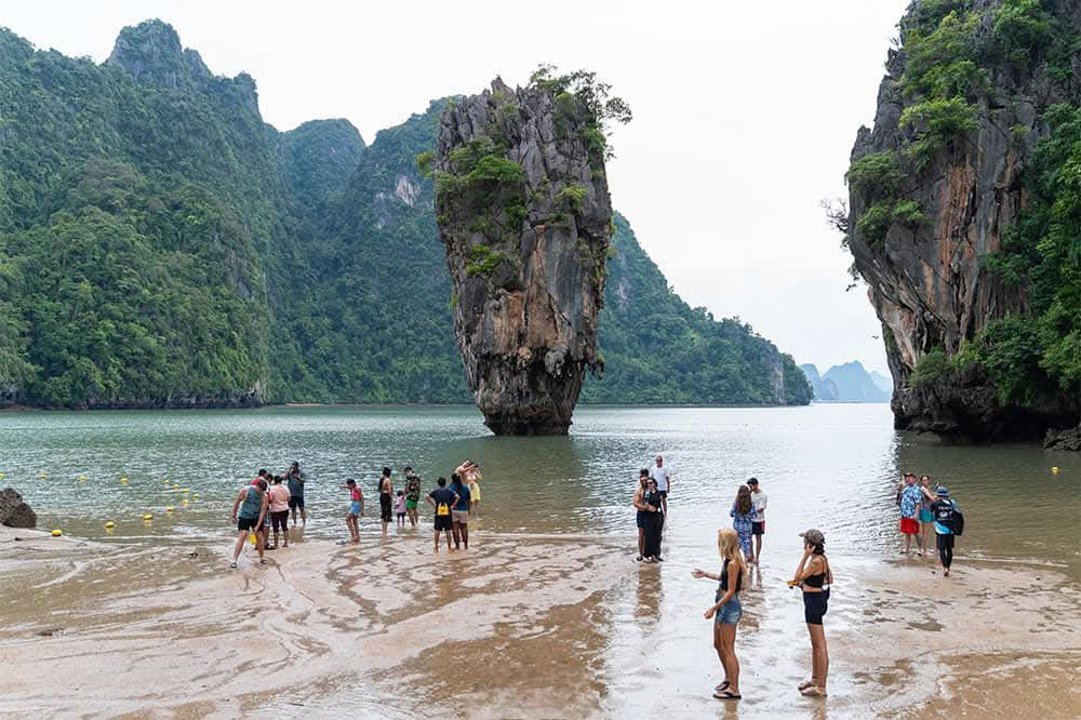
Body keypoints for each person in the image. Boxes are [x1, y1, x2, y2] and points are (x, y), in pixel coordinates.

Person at [692, 527, 746, 700]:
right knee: (717, 644)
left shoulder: (733, 563)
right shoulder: (729, 561)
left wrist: (713, 608)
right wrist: (706, 574)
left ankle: (734, 688)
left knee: (728, 648)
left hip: (729, 606)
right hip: (722, 604)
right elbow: (725, 580)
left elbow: (730, 591)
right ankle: (728, 678)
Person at [790, 529, 832, 697]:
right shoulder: (822, 559)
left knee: (819, 645)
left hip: (814, 602)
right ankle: (815, 679)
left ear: (810, 545)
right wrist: (808, 584)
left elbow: (797, 576)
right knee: (815, 644)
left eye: (805, 543)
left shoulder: (815, 561)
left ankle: (821, 686)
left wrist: (805, 556)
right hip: (815, 598)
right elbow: (830, 579)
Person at [230, 477, 268, 568]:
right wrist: (234, 515)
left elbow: (263, 511)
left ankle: (262, 557)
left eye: (262, 491)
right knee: (243, 535)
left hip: (256, 517)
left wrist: (258, 525)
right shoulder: (246, 490)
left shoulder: (264, 496)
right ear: (256, 486)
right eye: (260, 490)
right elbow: (237, 502)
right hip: (245, 516)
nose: (260, 492)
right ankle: (234, 560)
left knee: (259, 536)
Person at [930, 486, 960, 577]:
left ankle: (945, 568)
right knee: (949, 550)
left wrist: (934, 525)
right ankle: (948, 566)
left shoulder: (935, 504)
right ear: (947, 495)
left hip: (940, 529)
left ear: (938, 495)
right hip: (950, 530)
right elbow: (957, 514)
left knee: (942, 550)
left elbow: (931, 513)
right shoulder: (952, 503)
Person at [425, 477, 458, 551]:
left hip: (438, 512)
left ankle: (436, 546)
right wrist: (453, 505)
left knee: (437, 530)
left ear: (438, 483)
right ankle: (449, 547)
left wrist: (433, 505)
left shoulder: (435, 491)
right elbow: (457, 497)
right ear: (445, 483)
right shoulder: (450, 491)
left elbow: (427, 497)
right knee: (448, 530)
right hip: (447, 513)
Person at [729, 485, 757, 563]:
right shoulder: (752, 503)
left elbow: (731, 514)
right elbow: (755, 516)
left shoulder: (736, 503)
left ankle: (737, 560)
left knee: (738, 543)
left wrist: (738, 515)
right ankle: (747, 558)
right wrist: (747, 516)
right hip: (748, 526)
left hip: (738, 526)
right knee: (747, 542)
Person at [898, 473, 924, 556]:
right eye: (906, 478)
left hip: (912, 514)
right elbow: (899, 494)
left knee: (916, 532)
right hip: (905, 514)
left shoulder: (916, 489)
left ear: (914, 479)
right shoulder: (906, 488)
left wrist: (916, 514)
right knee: (906, 532)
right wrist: (900, 486)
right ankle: (906, 548)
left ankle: (920, 549)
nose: (908, 479)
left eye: (910, 477)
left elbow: (918, 503)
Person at [640, 477, 664, 562]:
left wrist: (664, 514)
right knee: (649, 536)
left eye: (651, 483)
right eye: (648, 483)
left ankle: (656, 554)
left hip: (658, 516)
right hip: (649, 517)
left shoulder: (659, 493)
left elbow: (662, 503)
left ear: (654, 483)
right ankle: (647, 555)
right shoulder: (646, 493)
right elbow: (645, 504)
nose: (649, 484)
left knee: (657, 536)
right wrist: (651, 508)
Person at [267, 475, 291, 549]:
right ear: (281, 481)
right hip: (285, 508)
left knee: (276, 527)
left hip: (275, 510)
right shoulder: (286, 488)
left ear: (274, 481)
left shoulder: (272, 489)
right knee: (284, 526)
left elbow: (270, 499)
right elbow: (289, 498)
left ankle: (276, 544)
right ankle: (286, 543)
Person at [449, 472, 472, 549]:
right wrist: (469, 510)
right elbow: (469, 500)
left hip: (454, 510)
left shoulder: (451, 488)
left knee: (455, 528)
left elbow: (448, 500)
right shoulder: (465, 487)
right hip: (464, 510)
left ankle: (457, 546)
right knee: (464, 528)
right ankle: (465, 545)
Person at [747, 477, 767, 564]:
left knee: (758, 538)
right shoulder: (750, 494)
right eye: (749, 486)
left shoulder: (763, 495)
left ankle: (757, 557)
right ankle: (751, 555)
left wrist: (752, 512)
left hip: (759, 520)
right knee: (749, 537)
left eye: (752, 486)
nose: (751, 488)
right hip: (750, 519)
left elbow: (761, 508)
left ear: (756, 485)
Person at [632, 469, 650, 561]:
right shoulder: (638, 491)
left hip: (650, 514)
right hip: (641, 514)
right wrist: (644, 507)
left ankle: (648, 553)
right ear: (640, 481)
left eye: (645, 480)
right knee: (641, 534)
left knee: (649, 535)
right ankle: (640, 554)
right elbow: (635, 503)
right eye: (642, 480)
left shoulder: (651, 489)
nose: (644, 482)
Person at [917, 475, 937, 555]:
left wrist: (936, 493)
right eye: (923, 480)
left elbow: (935, 498)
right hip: (925, 512)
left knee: (937, 531)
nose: (925, 482)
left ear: (929, 481)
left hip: (931, 511)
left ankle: (936, 550)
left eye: (926, 480)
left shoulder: (928, 489)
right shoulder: (922, 488)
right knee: (925, 533)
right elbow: (932, 498)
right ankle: (924, 551)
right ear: (921, 482)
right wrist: (936, 495)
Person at [341, 478, 363, 544]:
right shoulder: (352, 487)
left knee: (347, 519)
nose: (348, 486)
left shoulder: (357, 488)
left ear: (353, 483)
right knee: (354, 521)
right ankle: (357, 537)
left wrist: (362, 510)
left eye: (349, 485)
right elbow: (348, 487)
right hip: (353, 503)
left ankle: (353, 535)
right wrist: (342, 486)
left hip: (357, 504)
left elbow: (362, 499)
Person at [286, 462, 306, 527]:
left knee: (302, 508)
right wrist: (289, 470)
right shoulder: (290, 474)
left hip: (299, 494)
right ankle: (295, 523)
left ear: (298, 467)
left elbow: (304, 480)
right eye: (293, 467)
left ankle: (304, 523)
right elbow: (284, 478)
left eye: (295, 467)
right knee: (293, 509)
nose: (294, 468)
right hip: (292, 494)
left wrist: (298, 478)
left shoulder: (301, 473)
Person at [378, 467, 394, 535]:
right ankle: (385, 530)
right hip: (386, 496)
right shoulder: (388, 480)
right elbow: (389, 490)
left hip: (382, 496)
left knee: (383, 512)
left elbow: (380, 489)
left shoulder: (381, 480)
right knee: (387, 513)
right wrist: (391, 497)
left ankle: (383, 530)